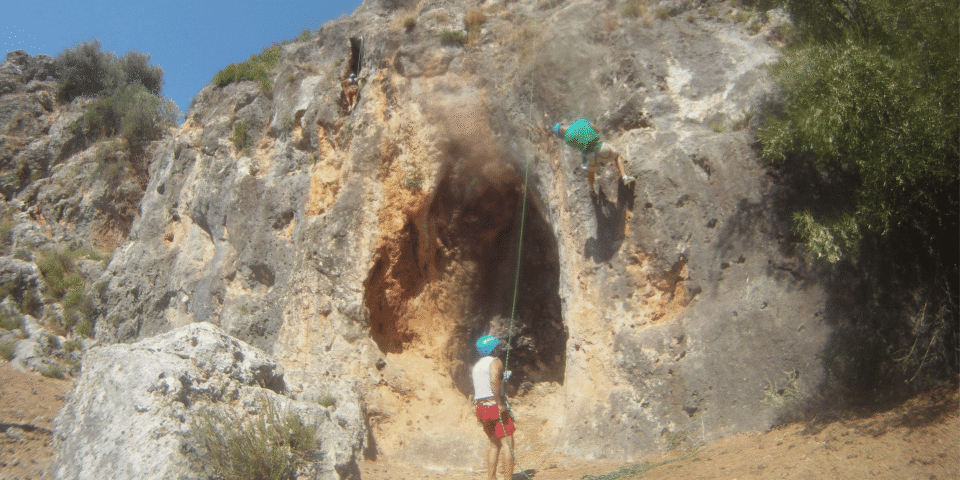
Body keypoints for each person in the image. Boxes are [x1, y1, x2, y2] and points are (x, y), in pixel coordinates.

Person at [472, 335, 515, 480]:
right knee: (508, 443)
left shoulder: (477, 366)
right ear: (493, 349)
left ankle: (492, 478)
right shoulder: (495, 362)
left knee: (494, 444)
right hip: (493, 405)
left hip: (481, 408)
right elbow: (493, 380)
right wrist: (500, 402)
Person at [553, 118, 635, 193]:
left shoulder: (567, 139)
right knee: (617, 156)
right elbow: (596, 129)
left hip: (590, 157)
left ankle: (592, 189)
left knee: (591, 173)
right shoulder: (580, 122)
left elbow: (579, 145)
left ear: (560, 135)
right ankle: (625, 177)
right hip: (601, 148)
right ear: (562, 125)